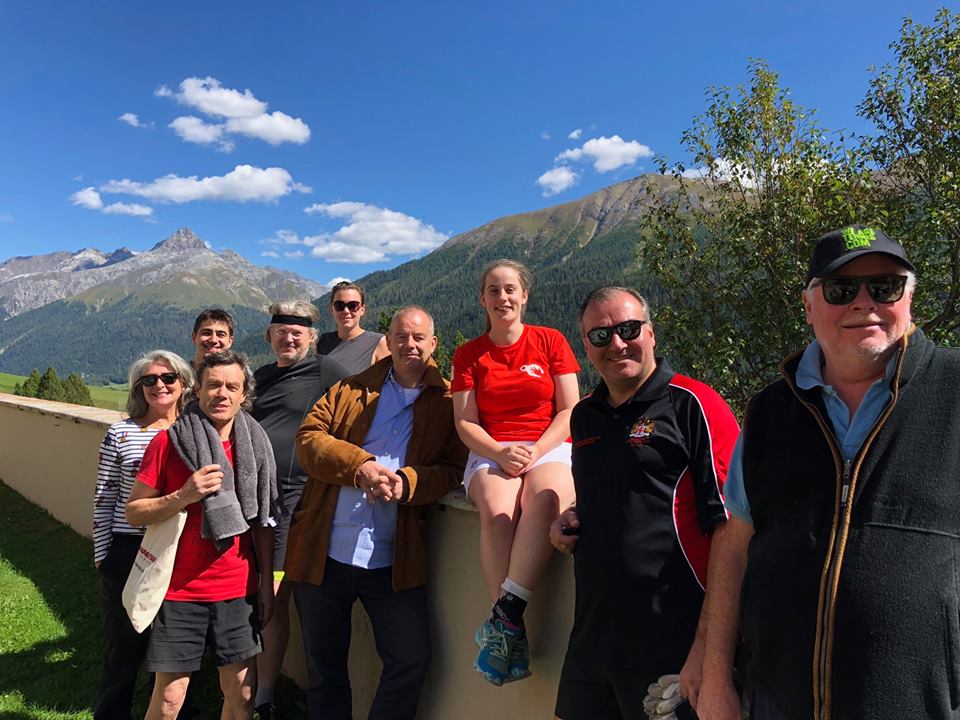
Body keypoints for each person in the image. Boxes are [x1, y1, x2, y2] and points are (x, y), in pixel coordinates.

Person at [696, 225, 960, 720]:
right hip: (778, 698)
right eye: (841, 291)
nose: (864, 303)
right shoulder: (770, 411)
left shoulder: (954, 388)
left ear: (910, 296)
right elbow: (734, 547)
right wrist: (714, 679)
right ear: (809, 306)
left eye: (884, 286)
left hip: (922, 703)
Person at [548, 286, 738, 720]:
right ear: (586, 346)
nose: (616, 344)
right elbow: (619, 494)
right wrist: (574, 518)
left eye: (628, 329)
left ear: (651, 333)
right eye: (600, 336)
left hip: (673, 641)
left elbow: (733, 529)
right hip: (593, 635)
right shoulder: (584, 416)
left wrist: (709, 654)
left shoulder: (695, 405)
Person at [285, 305, 467, 720]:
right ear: (389, 342)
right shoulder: (350, 390)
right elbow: (309, 439)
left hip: (393, 560)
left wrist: (410, 483)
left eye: (419, 337)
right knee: (325, 668)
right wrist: (359, 466)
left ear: (433, 344)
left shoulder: (448, 402)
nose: (409, 345)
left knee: (410, 660)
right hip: (324, 553)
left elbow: (456, 469)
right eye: (401, 336)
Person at [126, 351, 277, 720]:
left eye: (232, 387)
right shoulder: (169, 443)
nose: (221, 393)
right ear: (198, 390)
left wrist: (266, 583)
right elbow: (134, 512)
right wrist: (184, 495)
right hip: (179, 590)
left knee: (241, 693)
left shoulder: (256, 446)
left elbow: (263, 523)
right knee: (169, 699)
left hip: (237, 589)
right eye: (213, 385)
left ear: (244, 395)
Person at [450, 259, 581, 686]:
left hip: (549, 444)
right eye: (493, 290)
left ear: (524, 296)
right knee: (498, 512)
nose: (502, 297)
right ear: (482, 299)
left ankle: (502, 621)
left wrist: (537, 449)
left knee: (544, 501)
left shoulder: (550, 341)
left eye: (510, 289)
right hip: (491, 448)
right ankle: (509, 631)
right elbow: (465, 422)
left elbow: (570, 409)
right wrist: (501, 452)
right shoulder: (469, 354)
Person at [251, 301, 350, 718]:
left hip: (299, 502)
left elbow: (365, 408)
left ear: (311, 337)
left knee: (276, 594)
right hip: (255, 498)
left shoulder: (328, 372)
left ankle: (267, 695)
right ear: (269, 335)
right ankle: (255, 690)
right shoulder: (259, 378)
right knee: (259, 596)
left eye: (298, 332)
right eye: (281, 331)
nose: (288, 338)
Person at [93, 350, 194, 720]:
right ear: (139, 388)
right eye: (149, 380)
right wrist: (103, 557)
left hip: (181, 549)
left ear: (184, 383)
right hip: (129, 547)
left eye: (168, 378)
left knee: (174, 645)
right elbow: (104, 496)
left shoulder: (198, 431)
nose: (159, 386)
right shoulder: (122, 432)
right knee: (123, 649)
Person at [316, 281, 390, 368]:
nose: (346, 311)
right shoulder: (321, 342)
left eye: (353, 305)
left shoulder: (379, 343)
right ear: (331, 309)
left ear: (362, 309)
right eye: (339, 305)